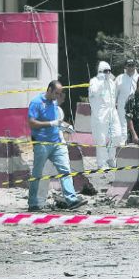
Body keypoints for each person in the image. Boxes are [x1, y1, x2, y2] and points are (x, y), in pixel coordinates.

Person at [27, 80, 87, 212]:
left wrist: (64, 126)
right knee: (37, 173)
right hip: (42, 143)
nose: (58, 96)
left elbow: (56, 121)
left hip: (57, 143)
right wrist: (50, 123)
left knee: (65, 170)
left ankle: (71, 199)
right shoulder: (36, 102)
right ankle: (32, 203)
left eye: (60, 93)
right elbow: (31, 123)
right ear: (49, 90)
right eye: (56, 93)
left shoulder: (54, 103)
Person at [89, 61, 120, 169]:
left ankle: (111, 158)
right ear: (100, 71)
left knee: (117, 135)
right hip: (100, 114)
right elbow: (93, 92)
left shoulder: (111, 82)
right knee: (101, 139)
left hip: (112, 112)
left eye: (109, 71)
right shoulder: (94, 81)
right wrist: (101, 81)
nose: (108, 73)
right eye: (106, 71)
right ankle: (101, 163)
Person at [115, 59, 139, 145]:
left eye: (132, 65)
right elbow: (114, 94)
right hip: (122, 106)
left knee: (136, 125)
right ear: (125, 66)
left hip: (136, 106)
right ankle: (122, 144)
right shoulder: (119, 78)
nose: (131, 67)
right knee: (123, 125)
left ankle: (137, 142)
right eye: (129, 65)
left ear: (135, 66)